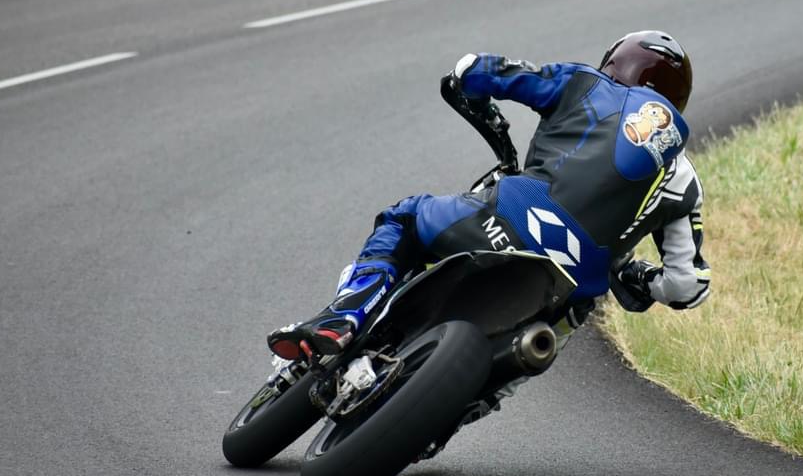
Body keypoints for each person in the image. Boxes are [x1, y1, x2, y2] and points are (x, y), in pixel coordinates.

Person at [268, 31, 711, 362]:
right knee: (539, 349)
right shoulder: (684, 180)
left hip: (510, 215)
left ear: (612, 64)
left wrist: (477, 102)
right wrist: (640, 278)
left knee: (403, 219)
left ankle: (344, 316)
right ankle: (477, 397)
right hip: (574, 286)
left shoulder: (587, 84)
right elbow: (686, 287)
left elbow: (476, 71)